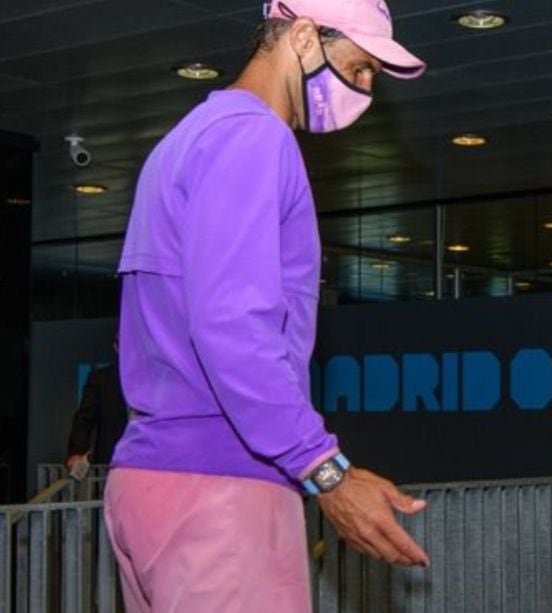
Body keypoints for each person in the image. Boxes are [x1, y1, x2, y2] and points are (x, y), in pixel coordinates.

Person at [104, 1, 429, 610]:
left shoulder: (185, 141)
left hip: (151, 485)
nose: (363, 90)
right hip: (221, 491)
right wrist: (324, 469)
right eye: (359, 68)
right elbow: (232, 326)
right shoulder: (255, 139)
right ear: (304, 38)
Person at [66, 337, 129, 479]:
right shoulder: (101, 379)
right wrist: (78, 452)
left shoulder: (155, 379)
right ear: (116, 347)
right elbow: (84, 419)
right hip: (110, 466)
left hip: (148, 467)